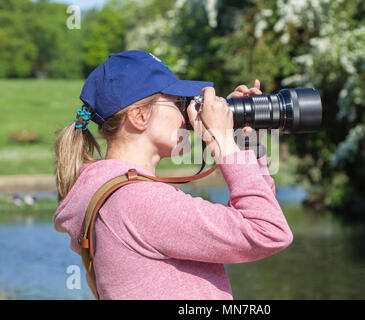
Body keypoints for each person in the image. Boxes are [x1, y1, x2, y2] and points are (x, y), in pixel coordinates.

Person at [53, 50, 293, 300]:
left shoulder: (115, 196)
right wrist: (222, 140)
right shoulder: (136, 201)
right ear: (139, 116)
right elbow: (267, 230)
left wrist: (244, 142)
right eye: (178, 103)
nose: (185, 115)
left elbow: (253, 219)